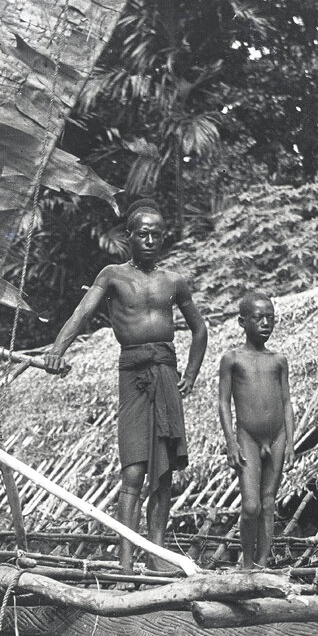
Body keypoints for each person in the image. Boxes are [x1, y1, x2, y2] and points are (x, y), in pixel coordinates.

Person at [43, 201, 208, 571]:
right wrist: (57, 349)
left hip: (166, 370)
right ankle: (125, 561)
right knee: (133, 469)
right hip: (133, 373)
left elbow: (200, 328)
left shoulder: (173, 280)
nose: (150, 240)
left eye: (157, 234)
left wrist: (192, 373)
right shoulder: (113, 275)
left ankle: (158, 555)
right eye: (143, 233)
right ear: (129, 237)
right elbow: (82, 313)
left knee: (164, 471)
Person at [218, 291, 295, 569]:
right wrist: (230, 442)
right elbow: (224, 403)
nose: (265, 323)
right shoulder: (232, 359)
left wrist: (291, 442)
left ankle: (261, 563)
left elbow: (287, 402)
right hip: (247, 437)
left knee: (268, 503)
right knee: (251, 506)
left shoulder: (278, 360)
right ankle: (246, 563)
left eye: (270, 318)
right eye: (258, 318)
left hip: (277, 437)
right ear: (242, 322)